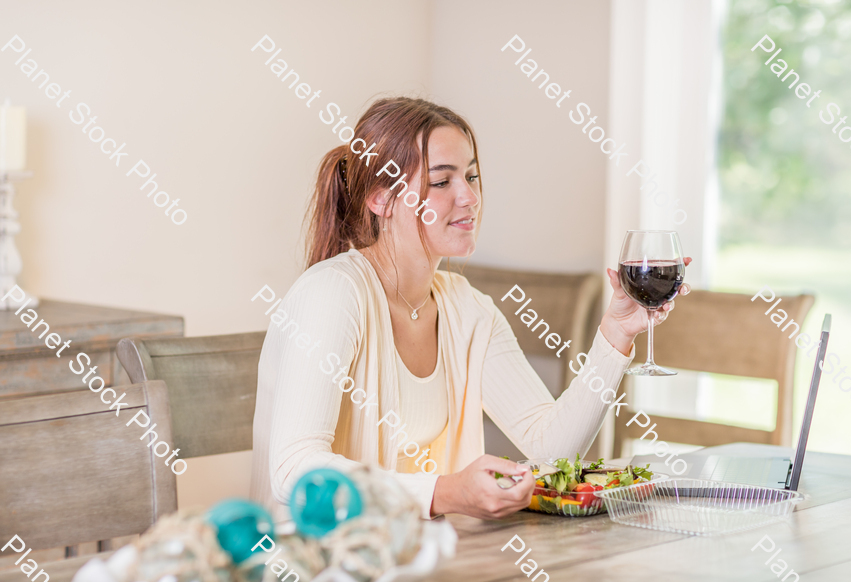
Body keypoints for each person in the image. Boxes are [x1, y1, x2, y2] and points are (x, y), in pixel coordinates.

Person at [250, 97, 690, 523]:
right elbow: (297, 468)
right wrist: (444, 492)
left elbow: (549, 450)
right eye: (442, 182)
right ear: (380, 199)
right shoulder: (333, 293)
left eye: (472, 177)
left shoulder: (466, 308)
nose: (468, 196)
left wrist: (617, 334)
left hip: (420, 565)